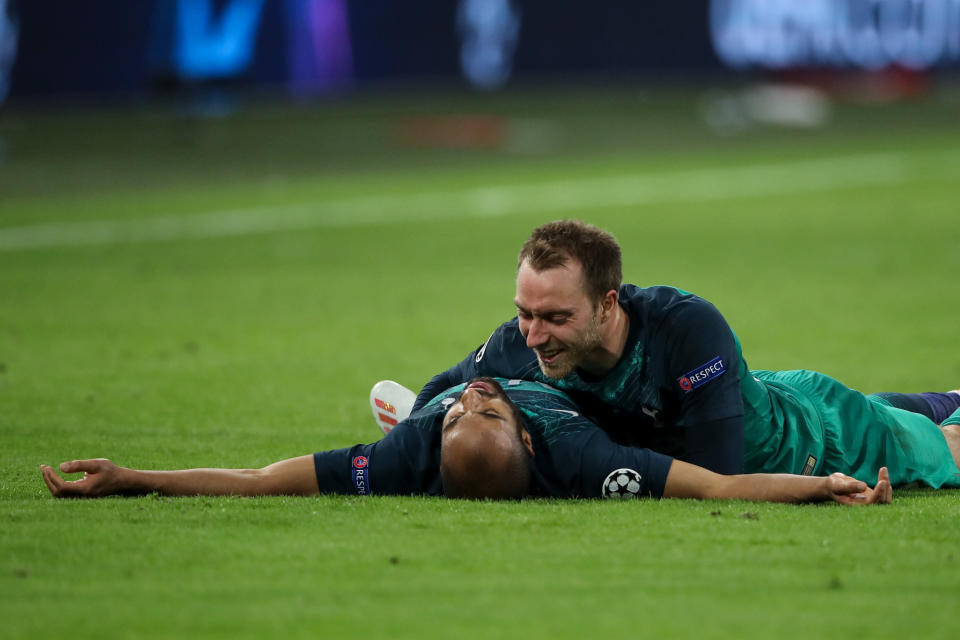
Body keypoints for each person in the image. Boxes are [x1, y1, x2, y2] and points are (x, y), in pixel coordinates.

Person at [414, 220, 960, 487]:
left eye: (557, 318)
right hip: (758, 395)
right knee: (925, 406)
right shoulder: (521, 340)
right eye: (525, 313)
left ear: (608, 304)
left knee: (950, 447)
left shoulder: (687, 331)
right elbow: (440, 393)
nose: (534, 336)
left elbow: (716, 480)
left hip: (818, 442)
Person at [41, 377, 891, 505]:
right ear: (523, 442)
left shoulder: (413, 452)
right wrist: (823, 488)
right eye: (469, 416)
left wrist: (133, 474)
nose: (473, 406)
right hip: (562, 388)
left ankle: (414, 388)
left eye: (463, 415)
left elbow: (262, 478)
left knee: (426, 390)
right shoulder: (580, 456)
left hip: (499, 365)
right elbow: (715, 486)